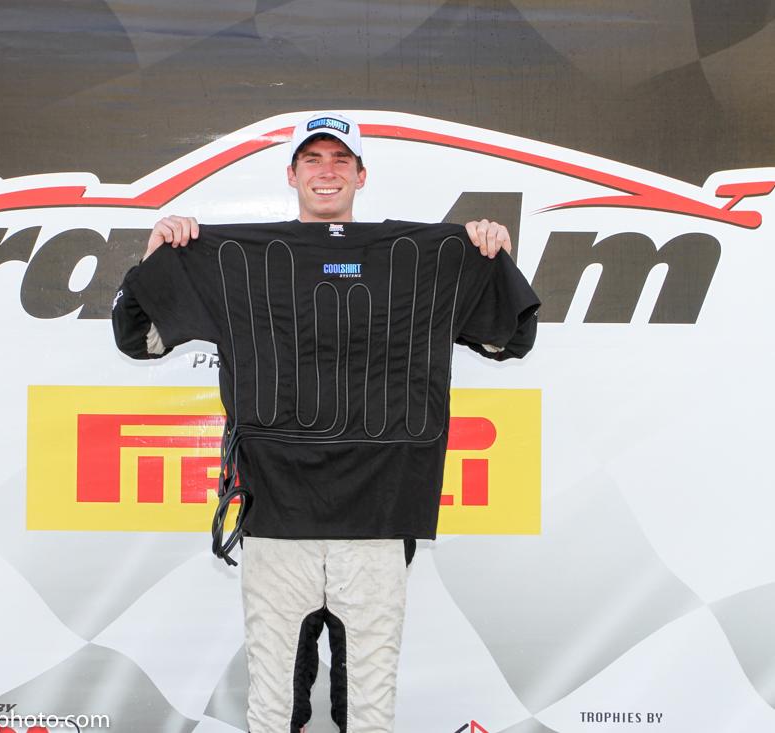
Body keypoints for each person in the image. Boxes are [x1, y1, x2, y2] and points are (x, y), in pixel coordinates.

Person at [112, 112, 538, 733]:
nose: (327, 170)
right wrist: (157, 259)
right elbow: (137, 339)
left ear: (362, 175)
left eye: (340, 159)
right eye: (313, 159)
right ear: (291, 174)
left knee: (366, 709)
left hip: (379, 518)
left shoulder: (427, 259)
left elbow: (510, 339)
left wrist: (487, 257)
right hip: (276, 513)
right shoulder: (233, 260)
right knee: (274, 707)